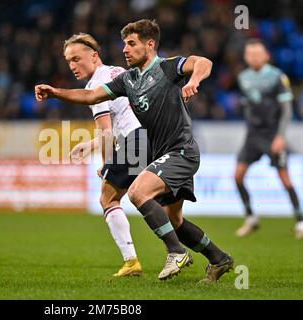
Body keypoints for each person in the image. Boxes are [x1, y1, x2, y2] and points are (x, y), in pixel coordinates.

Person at [36, 19, 233, 282]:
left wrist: (194, 80)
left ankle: (175, 252)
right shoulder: (128, 80)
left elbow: (203, 62)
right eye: (124, 44)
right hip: (159, 153)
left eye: (131, 44)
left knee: (138, 192)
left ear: (150, 45)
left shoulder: (167, 67)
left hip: (181, 152)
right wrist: (55, 93)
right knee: (174, 221)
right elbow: (91, 96)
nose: (125, 50)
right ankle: (219, 258)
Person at [63, 33, 152, 276]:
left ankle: (131, 262)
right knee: (157, 202)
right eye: (69, 61)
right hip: (152, 135)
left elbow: (106, 132)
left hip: (137, 140)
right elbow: (121, 120)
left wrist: (106, 164)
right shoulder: (116, 71)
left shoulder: (95, 87)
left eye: (76, 59)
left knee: (108, 198)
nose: (72, 66)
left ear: (94, 56)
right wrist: (91, 145)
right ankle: (187, 253)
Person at [235, 39, 303, 239]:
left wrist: (280, 136)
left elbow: (286, 109)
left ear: (266, 56)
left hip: (273, 135)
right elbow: (247, 104)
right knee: (238, 176)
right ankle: (251, 218)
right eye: (251, 54)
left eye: (258, 53)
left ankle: (300, 221)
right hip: (253, 136)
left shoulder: (277, 77)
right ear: (247, 57)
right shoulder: (243, 77)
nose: (254, 57)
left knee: (285, 178)